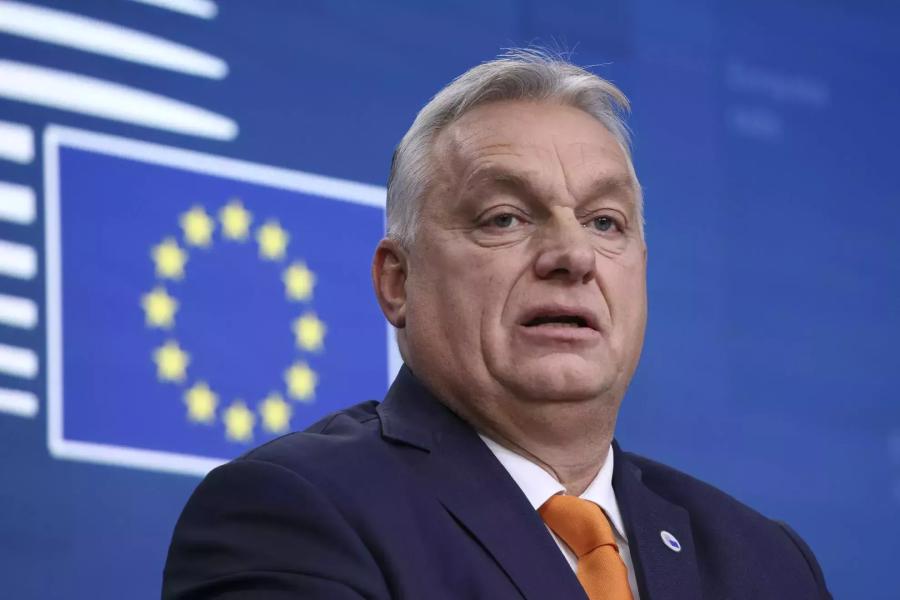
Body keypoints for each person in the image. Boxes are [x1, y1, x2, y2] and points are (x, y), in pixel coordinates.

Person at [163, 49, 832, 599]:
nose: (573, 256)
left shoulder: (768, 565)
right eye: (504, 218)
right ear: (398, 282)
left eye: (605, 223)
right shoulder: (295, 512)